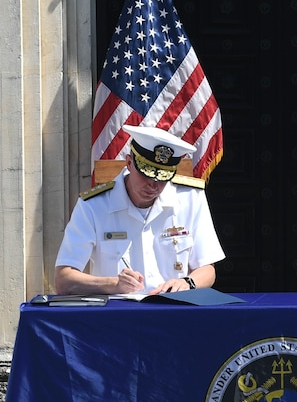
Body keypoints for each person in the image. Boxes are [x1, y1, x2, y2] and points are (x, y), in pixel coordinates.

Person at [54, 125, 225, 295]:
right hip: (117, 314)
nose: (153, 185)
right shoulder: (93, 206)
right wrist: (112, 284)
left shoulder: (191, 199)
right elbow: (63, 280)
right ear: (129, 163)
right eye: (147, 174)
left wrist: (187, 283)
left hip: (173, 310)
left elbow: (208, 268)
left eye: (162, 178)